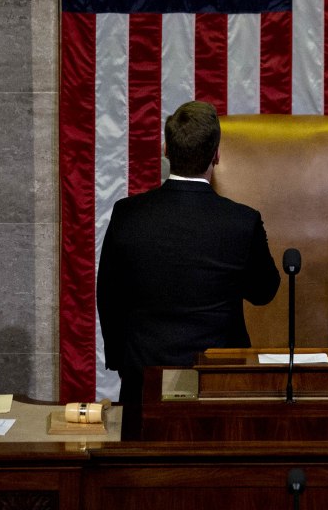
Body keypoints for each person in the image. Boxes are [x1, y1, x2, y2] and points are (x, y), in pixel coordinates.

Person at [97, 100, 281, 437]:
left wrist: (122, 363)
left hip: (143, 380)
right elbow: (264, 291)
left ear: (166, 149)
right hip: (219, 385)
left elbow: (108, 295)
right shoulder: (242, 222)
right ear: (217, 155)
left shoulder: (128, 214)